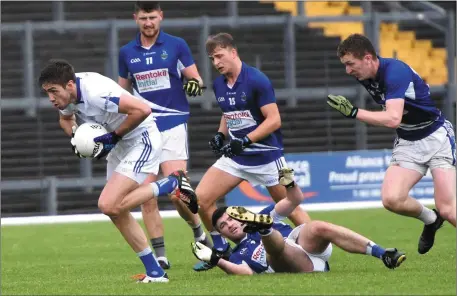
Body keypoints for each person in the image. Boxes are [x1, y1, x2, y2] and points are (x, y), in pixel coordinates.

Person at [38, 59, 198, 283]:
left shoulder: (95, 92)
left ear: (70, 85)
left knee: (108, 204)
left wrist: (113, 137)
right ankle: (155, 272)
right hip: (120, 146)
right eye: (47, 93)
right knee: (115, 210)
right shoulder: (66, 96)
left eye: (53, 91)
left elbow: (142, 109)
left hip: (142, 140)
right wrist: (77, 137)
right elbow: (66, 119)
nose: (51, 98)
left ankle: (172, 183)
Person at [326, 34, 455, 254]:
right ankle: (432, 220)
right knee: (392, 199)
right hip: (407, 140)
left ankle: (440, 214)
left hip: (436, 137)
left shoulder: (395, 72)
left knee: (449, 209)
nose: (348, 71)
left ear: (368, 58)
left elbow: (393, 118)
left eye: (350, 64)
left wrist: (355, 113)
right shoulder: (364, 75)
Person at [193, 32, 311, 271]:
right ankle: (221, 247)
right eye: (212, 58)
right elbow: (230, 112)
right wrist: (221, 134)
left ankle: (315, 249)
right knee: (201, 200)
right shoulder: (218, 84)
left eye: (219, 56)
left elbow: (274, 120)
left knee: (293, 209)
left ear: (233, 52)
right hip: (237, 159)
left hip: (267, 159)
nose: (216, 63)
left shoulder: (257, 80)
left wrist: (245, 139)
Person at [117, 1, 207, 269]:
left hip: (172, 125)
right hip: (144, 130)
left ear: (161, 17)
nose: (148, 23)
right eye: (143, 18)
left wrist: (194, 85)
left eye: (152, 17)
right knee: (147, 195)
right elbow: (121, 94)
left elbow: (197, 80)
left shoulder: (176, 45)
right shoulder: (126, 53)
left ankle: (199, 231)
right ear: (135, 19)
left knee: (178, 191)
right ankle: (161, 256)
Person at [191, 168, 406, 274]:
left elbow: (295, 200)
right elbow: (245, 273)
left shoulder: (268, 211)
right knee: (276, 249)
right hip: (291, 262)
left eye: (230, 219)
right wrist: (215, 260)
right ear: (225, 235)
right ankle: (265, 231)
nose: (229, 225)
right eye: (223, 227)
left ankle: (382, 253)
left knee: (318, 226)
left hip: (305, 245)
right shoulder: (237, 255)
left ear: (240, 214)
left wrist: (290, 183)